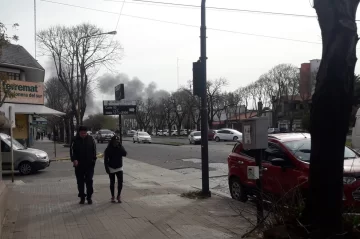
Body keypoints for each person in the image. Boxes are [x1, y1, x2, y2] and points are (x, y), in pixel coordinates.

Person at [70, 126, 97, 204]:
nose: (84, 134)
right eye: (82, 133)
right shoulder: (74, 140)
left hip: (89, 164)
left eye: (85, 133)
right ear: (79, 133)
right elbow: (72, 151)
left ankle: (89, 197)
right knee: (80, 182)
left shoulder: (91, 139)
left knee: (89, 180)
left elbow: (94, 150)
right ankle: (82, 197)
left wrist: (94, 160)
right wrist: (74, 159)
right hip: (79, 165)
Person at [104, 135, 127, 203]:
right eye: (114, 141)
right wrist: (106, 168)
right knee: (112, 183)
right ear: (112, 142)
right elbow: (105, 160)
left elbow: (125, 154)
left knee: (120, 182)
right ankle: (112, 196)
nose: (116, 143)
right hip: (111, 167)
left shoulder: (120, 147)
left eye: (117, 141)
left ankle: (118, 195)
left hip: (119, 167)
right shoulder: (108, 149)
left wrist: (120, 146)